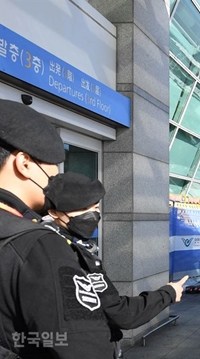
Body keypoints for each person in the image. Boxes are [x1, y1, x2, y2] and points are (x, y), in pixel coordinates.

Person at [1, 99, 119, 358]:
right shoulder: (39, 245)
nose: (53, 181)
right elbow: (79, 345)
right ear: (25, 163)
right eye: (51, 174)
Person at [41, 172, 188, 358]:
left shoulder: (50, 239)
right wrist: (169, 293)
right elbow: (120, 314)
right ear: (53, 212)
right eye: (82, 208)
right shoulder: (66, 252)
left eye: (95, 206)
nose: (93, 214)